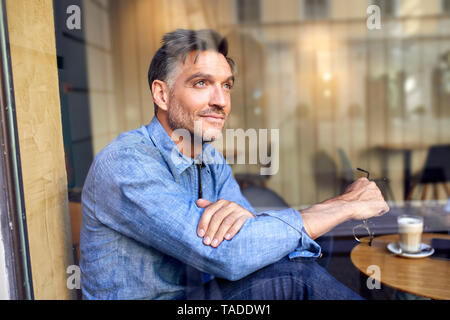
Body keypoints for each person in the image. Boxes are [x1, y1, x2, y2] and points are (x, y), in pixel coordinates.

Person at [80, 29, 389, 300]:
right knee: (295, 278)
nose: (222, 101)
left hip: (204, 293)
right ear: (162, 94)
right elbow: (232, 254)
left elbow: (252, 243)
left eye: (226, 86)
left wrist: (249, 227)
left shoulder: (209, 158)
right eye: (202, 83)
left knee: (298, 256)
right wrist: (343, 205)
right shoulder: (126, 162)